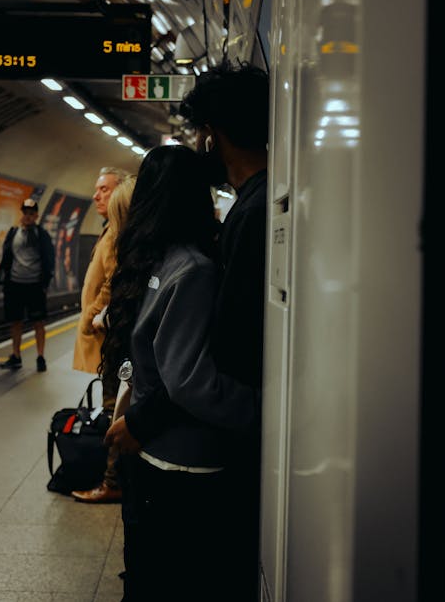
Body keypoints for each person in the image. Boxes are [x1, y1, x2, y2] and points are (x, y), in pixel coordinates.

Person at [101, 145, 257, 601]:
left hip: (155, 452)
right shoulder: (194, 269)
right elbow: (190, 380)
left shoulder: (154, 262)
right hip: (190, 457)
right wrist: (264, 408)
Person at [179, 61, 270, 599]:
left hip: (242, 425)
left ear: (215, 133)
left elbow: (233, 337)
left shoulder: (252, 213)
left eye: (200, 132)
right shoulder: (258, 203)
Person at [71, 174, 135, 504]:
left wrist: (91, 317)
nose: (96, 196)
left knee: (114, 406)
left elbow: (111, 283)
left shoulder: (116, 232)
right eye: (95, 189)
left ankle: (113, 482)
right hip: (111, 331)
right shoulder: (111, 228)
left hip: (110, 331)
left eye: (104, 190)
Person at [0, 197, 55, 372]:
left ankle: (40, 357)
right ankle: (16, 356)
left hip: (35, 285)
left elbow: (49, 258)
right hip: (15, 284)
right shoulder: (13, 232)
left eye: (31, 214)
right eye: (25, 213)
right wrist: (3, 276)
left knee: (38, 322)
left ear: (36, 215)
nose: (27, 216)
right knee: (15, 321)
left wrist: (45, 282)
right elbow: (7, 256)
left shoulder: (41, 234)